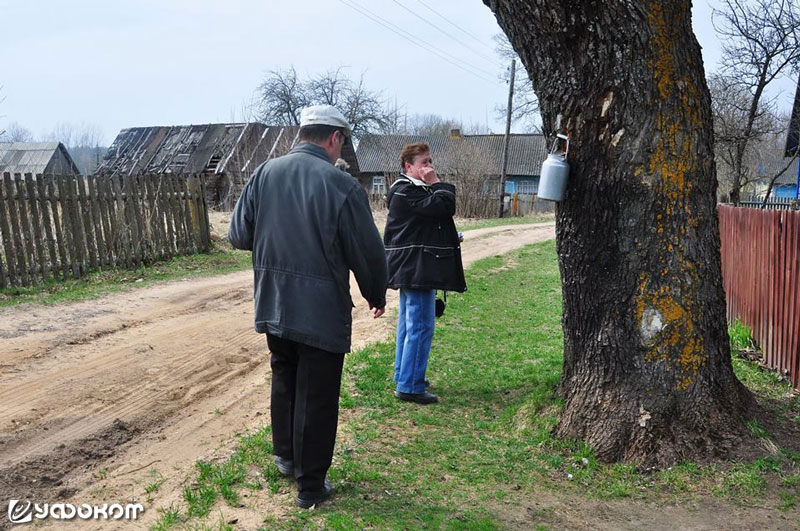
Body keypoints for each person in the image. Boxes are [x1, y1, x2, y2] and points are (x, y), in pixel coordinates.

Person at [228, 105, 388, 508]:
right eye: (343, 145)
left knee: (285, 377)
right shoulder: (342, 186)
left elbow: (237, 234)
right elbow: (366, 253)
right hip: (319, 311)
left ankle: (286, 458)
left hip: (274, 301)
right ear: (334, 139)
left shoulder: (265, 173)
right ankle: (311, 487)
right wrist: (376, 295)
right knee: (317, 394)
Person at [383, 142, 466, 405]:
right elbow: (444, 205)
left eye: (431, 162)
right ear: (409, 167)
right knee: (420, 326)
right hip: (416, 267)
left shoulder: (410, 191)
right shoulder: (407, 192)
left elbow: (426, 221)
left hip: (414, 266)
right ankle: (410, 385)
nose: (429, 167)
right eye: (424, 163)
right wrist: (437, 181)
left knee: (409, 325)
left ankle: (404, 374)